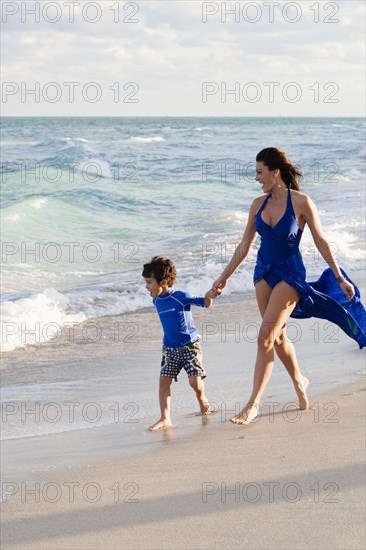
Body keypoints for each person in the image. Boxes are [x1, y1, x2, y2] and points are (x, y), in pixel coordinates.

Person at [212, 147, 366, 425]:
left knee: (265, 338)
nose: (257, 178)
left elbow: (320, 241)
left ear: (275, 172)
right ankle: (299, 381)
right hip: (263, 274)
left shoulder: (302, 202)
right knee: (278, 336)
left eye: (260, 172)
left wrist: (339, 276)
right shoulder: (257, 204)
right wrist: (222, 277)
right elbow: (244, 246)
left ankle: (253, 404)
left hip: (290, 275)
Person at [142, 256, 220, 430]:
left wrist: (210, 296)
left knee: (194, 382)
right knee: (163, 381)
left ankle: (202, 399)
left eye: (149, 282)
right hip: (169, 347)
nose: (146, 287)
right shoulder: (156, 300)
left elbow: (205, 303)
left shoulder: (180, 297)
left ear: (162, 282)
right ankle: (165, 418)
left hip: (190, 345)